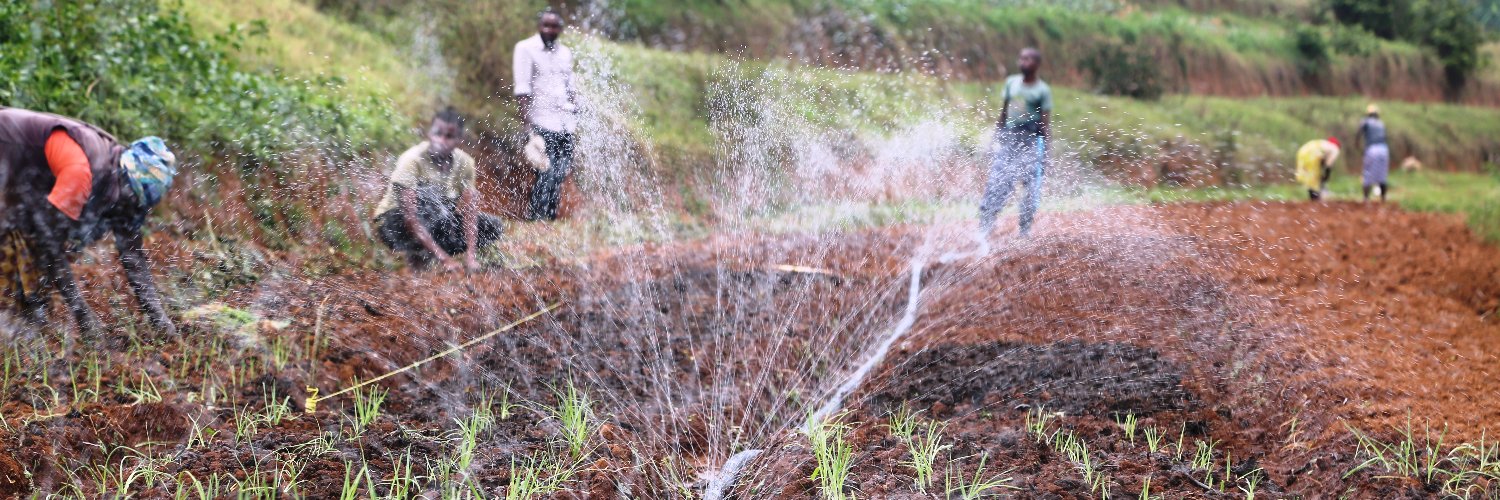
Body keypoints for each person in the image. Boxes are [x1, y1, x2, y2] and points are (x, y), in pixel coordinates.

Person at [0, 107, 177, 344]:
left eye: (138, 206)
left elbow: (132, 255)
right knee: (15, 248)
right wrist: (83, 315)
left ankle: (24, 325)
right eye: (133, 202)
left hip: (19, 184)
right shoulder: (81, 173)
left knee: (37, 267)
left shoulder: (121, 186)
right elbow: (48, 241)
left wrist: (160, 319)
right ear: (125, 183)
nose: (131, 211)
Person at [373, 108, 503, 272]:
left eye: (449, 136)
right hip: (394, 225)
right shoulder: (412, 160)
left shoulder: (465, 163)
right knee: (430, 199)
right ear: (429, 133)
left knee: (492, 225)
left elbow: (470, 211)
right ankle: (422, 258)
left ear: (459, 139)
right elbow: (410, 218)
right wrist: (445, 259)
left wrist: (471, 257)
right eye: (437, 133)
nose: (441, 140)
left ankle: (427, 258)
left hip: (435, 219)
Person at [978, 47, 1052, 238]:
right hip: (1009, 139)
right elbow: (1003, 113)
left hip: (1030, 142)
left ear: (1036, 64)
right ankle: (985, 226)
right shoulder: (1011, 82)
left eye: (1027, 59)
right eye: (1021, 58)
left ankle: (1024, 230)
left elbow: (1045, 124)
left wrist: (1046, 154)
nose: (1022, 62)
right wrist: (995, 138)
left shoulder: (1042, 90)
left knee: (1030, 187)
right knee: (998, 182)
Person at [513, 8, 579, 221]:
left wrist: (578, 109)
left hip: (566, 123)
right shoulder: (525, 48)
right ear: (539, 26)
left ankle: (550, 219)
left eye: (554, 26)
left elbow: (570, 87)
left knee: (560, 172)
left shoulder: (565, 52)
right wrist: (527, 128)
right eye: (546, 25)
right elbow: (522, 89)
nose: (549, 30)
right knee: (546, 171)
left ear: (560, 29)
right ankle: (536, 218)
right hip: (541, 121)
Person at [1356, 104, 1390, 202]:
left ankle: (1366, 198)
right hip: (1384, 149)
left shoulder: (1365, 121)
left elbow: (1359, 134)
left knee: (1367, 173)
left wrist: (1358, 147)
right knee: (1382, 174)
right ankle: (1383, 199)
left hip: (1372, 149)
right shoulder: (1381, 123)